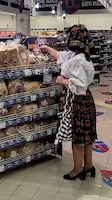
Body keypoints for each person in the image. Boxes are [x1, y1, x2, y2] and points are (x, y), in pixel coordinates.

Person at [41, 25, 97, 180]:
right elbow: (62, 56)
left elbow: (81, 86)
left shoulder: (78, 60)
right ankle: (89, 166)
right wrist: (48, 49)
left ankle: (77, 169)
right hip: (85, 101)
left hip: (78, 101)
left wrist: (63, 81)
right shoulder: (79, 56)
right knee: (87, 137)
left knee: (78, 139)